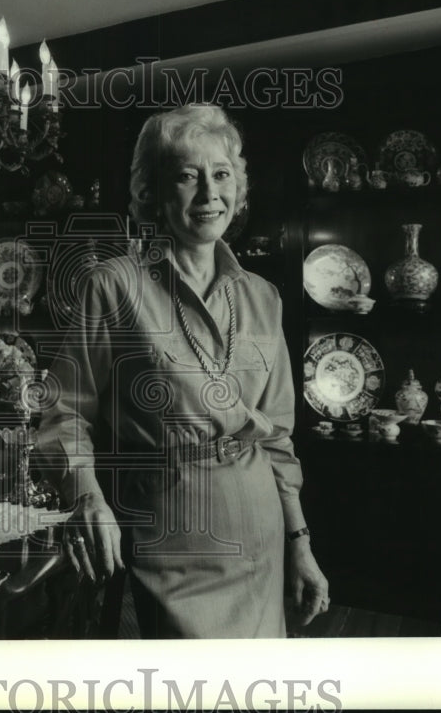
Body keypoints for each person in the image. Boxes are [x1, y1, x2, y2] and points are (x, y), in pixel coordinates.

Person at [36, 103, 328, 638]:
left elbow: (279, 441)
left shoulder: (264, 297)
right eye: (187, 177)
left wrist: (300, 543)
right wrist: (86, 494)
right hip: (169, 535)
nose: (209, 193)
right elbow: (62, 411)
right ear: (152, 191)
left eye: (221, 175)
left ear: (238, 187)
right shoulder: (113, 285)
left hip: (259, 530)